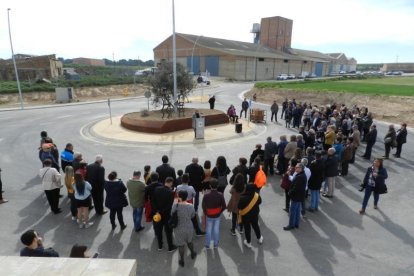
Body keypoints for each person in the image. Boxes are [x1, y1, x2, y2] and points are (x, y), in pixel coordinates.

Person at [172, 190, 197, 267]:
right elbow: (193, 216)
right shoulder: (191, 206)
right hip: (188, 227)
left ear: (179, 197)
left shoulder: (175, 206)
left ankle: (182, 260)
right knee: (189, 242)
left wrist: (175, 202)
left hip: (178, 228)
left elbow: (172, 214)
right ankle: (192, 253)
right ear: (186, 196)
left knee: (181, 245)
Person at [152, 177, 177, 252]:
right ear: (170, 183)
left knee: (159, 230)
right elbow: (170, 205)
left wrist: (156, 211)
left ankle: (160, 246)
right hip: (167, 215)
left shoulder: (156, 189)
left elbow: (153, 201)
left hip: (157, 214)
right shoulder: (170, 193)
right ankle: (170, 247)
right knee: (168, 231)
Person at [202, 178, 226, 249]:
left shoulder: (206, 195)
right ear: (218, 186)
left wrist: (206, 213)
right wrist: (220, 212)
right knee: (216, 229)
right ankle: (215, 244)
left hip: (209, 215)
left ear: (210, 186)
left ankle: (207, 244)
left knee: (208, 229)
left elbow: (203, 206)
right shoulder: (220, 195)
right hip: (217, 215)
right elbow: (224, 206)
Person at [238, 184, 263, 248]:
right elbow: (260, 202)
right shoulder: (256, 196)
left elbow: (239, 207)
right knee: (255, 226)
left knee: (247, 229)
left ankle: (248, 242)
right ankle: (259, 238)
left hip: (246, 216)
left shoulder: (242, 197)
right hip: (254, 214)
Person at [283, 163, 306, 231]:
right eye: (295, 167)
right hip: (299, 196)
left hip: (296, 197)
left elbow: (295, 188)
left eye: (297, 167)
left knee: (293, 211)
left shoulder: (300, 177)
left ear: (301, 168)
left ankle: (291, 225)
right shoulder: (302, 175)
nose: (295, 168)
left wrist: (290, 192)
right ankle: (296, 223)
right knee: (297, 210)